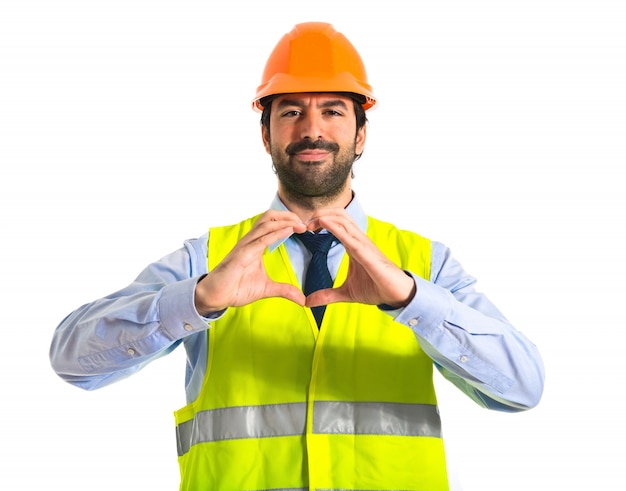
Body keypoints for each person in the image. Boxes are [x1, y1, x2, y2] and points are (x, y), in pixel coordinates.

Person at [50, 22, 544, 491]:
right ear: (266, 134)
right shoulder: (209, 259)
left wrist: (413, 302)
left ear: (361, 134)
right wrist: (198, 300)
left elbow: (523, 387)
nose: (312, 129)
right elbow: (73, 360)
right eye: (290, 111)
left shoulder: (424, 265)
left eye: (333, 111)